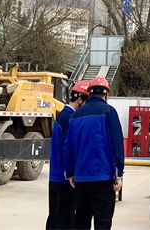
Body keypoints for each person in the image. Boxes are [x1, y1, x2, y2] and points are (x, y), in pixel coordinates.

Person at [62, 76, 124, 230]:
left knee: (81, 221)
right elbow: (117, 144)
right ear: (106, 94)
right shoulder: (109, 112)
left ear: (89, 94)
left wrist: (70, 173)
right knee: (102, 222)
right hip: (103, 178)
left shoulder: (75, 116)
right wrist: (118, 174)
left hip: (81, 179)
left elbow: (67, 148)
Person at [47, 80, 91, 229]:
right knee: (65, 219)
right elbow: (67, 150)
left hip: (54, 176)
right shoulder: (70, 119)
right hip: (65, 179)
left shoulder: (61, 116)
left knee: (54, 217)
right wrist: (71, 173)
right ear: (80, 100)